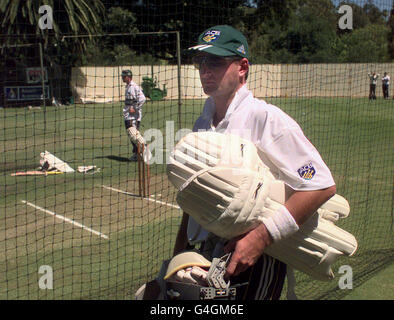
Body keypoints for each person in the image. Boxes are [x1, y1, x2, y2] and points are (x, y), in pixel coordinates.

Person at [169, 25, 337, 300]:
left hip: (257, 258)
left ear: (242, 67)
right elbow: (195, 194)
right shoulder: (202, 123)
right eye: (202, 62)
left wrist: (260, 239)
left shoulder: (266, 118)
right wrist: (178, 254)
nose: (205, 70)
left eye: (216, 61)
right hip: (203, 255)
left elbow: (320, 184)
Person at [121, 69, 146, 161]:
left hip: (134, 115)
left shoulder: (134, 86)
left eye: (124, 76)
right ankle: (137, 153)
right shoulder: (127, 86)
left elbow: (142, 99)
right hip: (128, 114)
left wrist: (135, 108)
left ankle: (143, 147)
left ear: (129, 77)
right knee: (130, 134)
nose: (122, 78)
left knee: (133, 133)